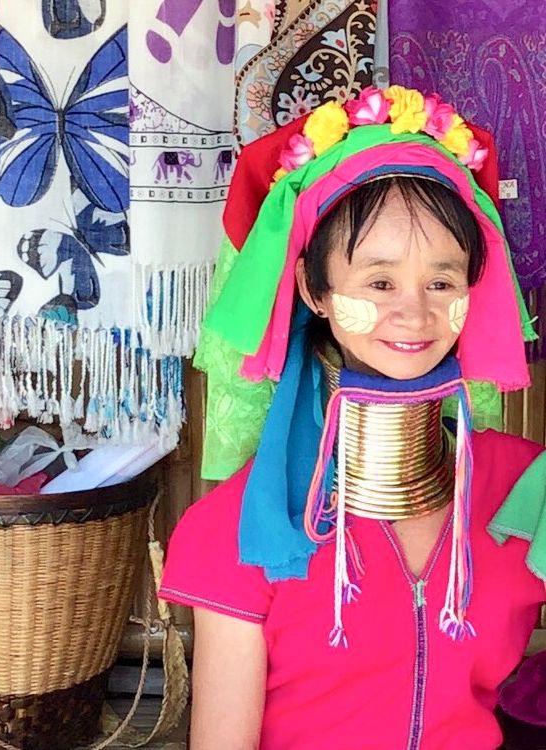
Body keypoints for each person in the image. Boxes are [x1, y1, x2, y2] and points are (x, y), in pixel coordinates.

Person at [159, 87, 546, 749]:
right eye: (379, 281)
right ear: (315, 290)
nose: (415, 313)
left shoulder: (525, 491)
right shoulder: (241, 527)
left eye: (442, 281)